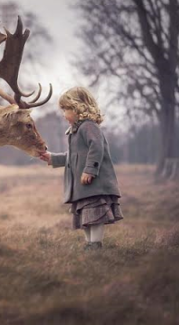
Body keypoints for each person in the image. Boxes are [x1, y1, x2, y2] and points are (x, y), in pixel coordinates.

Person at [40, 87, 123, 250]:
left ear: (78, 108)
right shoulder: (75, 131)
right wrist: (52, 158)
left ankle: (95, 244)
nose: (64, 114)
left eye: (66, 109)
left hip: (94, 186)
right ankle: (89, 244)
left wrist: (90, 170)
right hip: (82, 188)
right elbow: (73, 156)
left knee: (95, 214)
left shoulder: (88, 127)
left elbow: (97, 148)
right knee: (86, 217)